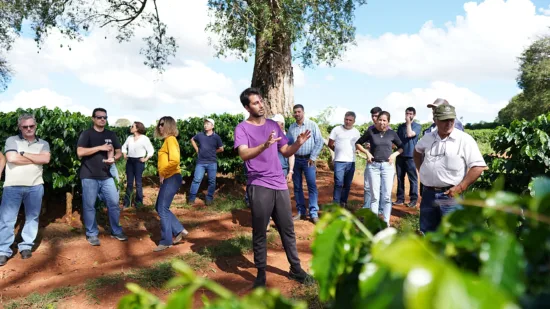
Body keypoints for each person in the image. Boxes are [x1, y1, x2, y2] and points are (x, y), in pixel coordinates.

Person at [235, 87, 310, 288]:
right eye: (255, 102)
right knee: (260, 230)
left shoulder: (272, 125)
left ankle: (296, 269)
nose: (261, 104)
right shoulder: (242, 128)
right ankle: (261, 273)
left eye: (261, 100)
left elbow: (285, 151)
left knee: (288, 229)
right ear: (246, 107)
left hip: (279, 184)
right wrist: (263, 146)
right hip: (259, 185)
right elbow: (243, 154)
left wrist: (298, 144)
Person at [414, 104, 487, 233]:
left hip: (450, 196)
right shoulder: (428, 137)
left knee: (453, 234)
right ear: (435, 120)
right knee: (427, 233)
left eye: (451, 120)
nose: (448, 123)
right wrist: (422, 170)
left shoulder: (464, 139)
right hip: (428, 195)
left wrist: (460, 187)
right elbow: (417, 151)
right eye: (444, 120)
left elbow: (478, 166)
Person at [0, 114, 49, 266]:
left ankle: (26, 246)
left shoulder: (44, 143)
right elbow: (11, 158)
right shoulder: (11, 140)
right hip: (12, 186)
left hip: (35, 186)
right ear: (19, 127)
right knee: (7, 219)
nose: (28, 129)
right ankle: (3, 251)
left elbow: (46, 159)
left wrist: (22, 153)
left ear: (35, 126)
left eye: (31, 126)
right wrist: (35, 158)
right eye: (25, 126)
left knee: (32, 217)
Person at [77, 108, 127, 246]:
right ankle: (92, 234)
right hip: (89, 176)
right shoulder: (86, 134)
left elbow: (119, 152)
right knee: (89, 206)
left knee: (113, 204)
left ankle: (116, 230)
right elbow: (80, 152)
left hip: (107, 176)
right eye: (99, 117)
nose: (102, 119)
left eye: (104, 117)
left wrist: (114, 159)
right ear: (93, 118)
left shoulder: (111, 134)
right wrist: (100, 148)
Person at [356, 111, 403, 225]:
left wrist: (393, 155)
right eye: (380, 120)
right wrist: (367, 153)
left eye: (384, 120)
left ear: (388, 122)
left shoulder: (392, 133)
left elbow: (401, 147)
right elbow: (358, 143)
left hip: (387, 167)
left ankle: (386, 223)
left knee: (386, 197)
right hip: (374, 167)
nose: (382, 122)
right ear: (377, 120)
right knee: (375, 197)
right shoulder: (371, 132)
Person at [153, 116, 188, 252]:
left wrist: (163, 173)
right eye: (159, 125)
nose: (160, 127)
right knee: (160, 206)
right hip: (170, 176)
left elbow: (174, 160)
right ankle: (178, 229)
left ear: (169, 125)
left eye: (162, 124)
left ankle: (166, 240)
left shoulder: (171, 140)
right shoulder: (167, 141)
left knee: (162, 208)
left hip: (172, 176)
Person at [287, 104, 324, 223]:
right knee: (297, 187)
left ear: (303, 112)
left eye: (299, 112)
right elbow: (288, 143)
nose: (297, 114)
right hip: (296, 160)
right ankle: (301, 212)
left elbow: (320, 141)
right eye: (295, 112)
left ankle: (313, 213)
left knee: (311, 186)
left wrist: (313, 157)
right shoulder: (291, 128)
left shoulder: (311, 124)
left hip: (309, 160)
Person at [328, 111, 360, 207]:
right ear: (344, 119)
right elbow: (330, 143)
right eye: (346, 119)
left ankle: (343, 203)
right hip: (339, 161)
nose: (348, 121)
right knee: (338, 183)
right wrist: (337, 151)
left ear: (354, 121)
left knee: (347, 184)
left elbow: (358, 145)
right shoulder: (336, 129)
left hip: (351, 161)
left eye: (350, 120)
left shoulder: (356, 132)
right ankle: (336, 204)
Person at [188, 118, 224, 206]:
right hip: (201, 162)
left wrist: (214, 151)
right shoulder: (200, 135)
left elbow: (221, 149)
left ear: (212, 126)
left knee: (212, 181)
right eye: (205, 124)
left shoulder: (216, 137)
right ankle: (191, 199)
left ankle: (209, 199)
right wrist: (197, 149)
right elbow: (192, 139)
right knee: (196, 180)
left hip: (212, 162)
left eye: (208, 124)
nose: (205, 125)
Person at [121, 121, 155, 208]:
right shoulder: (129, 138)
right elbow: (124, 147)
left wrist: (146, 158)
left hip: (139, 162)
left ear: (137, 128)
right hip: (130, 161)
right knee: (129, 183)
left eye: (132, 126)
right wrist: (125, 154)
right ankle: (127, 203)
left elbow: (151, 150)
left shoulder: (144, 138)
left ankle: (139, 203)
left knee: (138, 183)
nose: (130, 127)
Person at [394, 107, 422, 208]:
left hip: (411, 156)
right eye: (407, 113)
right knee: (400, 178)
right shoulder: (400, 127)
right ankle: (400, 199)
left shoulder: (417, 126)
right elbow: (396, 141)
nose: (408, 115)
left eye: (410, 114)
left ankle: (413, 200)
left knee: (412, 179)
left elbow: (410, 134)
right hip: (400, 156)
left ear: (414, 115)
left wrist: (408, 123)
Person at [362, 106, 385, 209]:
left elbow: (394, 145)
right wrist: (367, 148)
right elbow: (364, 143)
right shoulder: (370, 129)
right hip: (371, 161)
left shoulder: (388, 129)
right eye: (373, 116)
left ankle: (380, 209)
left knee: (381, 187)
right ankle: (367, 208)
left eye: (376, 116)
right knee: (367, 186)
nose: (374, 118)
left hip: (384, 161)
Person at [271, 114, 295, 180]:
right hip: (269, 170)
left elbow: (291, 155)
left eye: (276, 123)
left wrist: (290, 171)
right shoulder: (269, 137)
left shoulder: (288, 138)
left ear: (282, 125)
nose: (273, 125)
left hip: (282, 169)